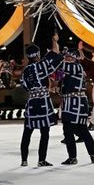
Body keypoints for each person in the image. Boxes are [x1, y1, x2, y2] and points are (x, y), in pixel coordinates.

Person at [20, 34, 63, 167]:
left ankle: (24, 160)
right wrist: (54, 41)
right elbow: (57, 56)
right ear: (38, 54)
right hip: (43, 101)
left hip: (32, 102)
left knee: (27, 132)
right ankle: (41, 160)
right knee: (45, 133)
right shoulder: (42, 65)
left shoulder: (25, 71)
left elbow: (25, 86)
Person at [59, 46, 94, 165]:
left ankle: (73, 157)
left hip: (73, 101)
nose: (66, 58)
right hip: (78, 101)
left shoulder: (75, 66)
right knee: (82, 129)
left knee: (68, 129)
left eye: (68, 57)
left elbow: (59, 65)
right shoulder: (76, 68)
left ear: (74, 58)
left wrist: (57, 54)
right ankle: (92, 155)